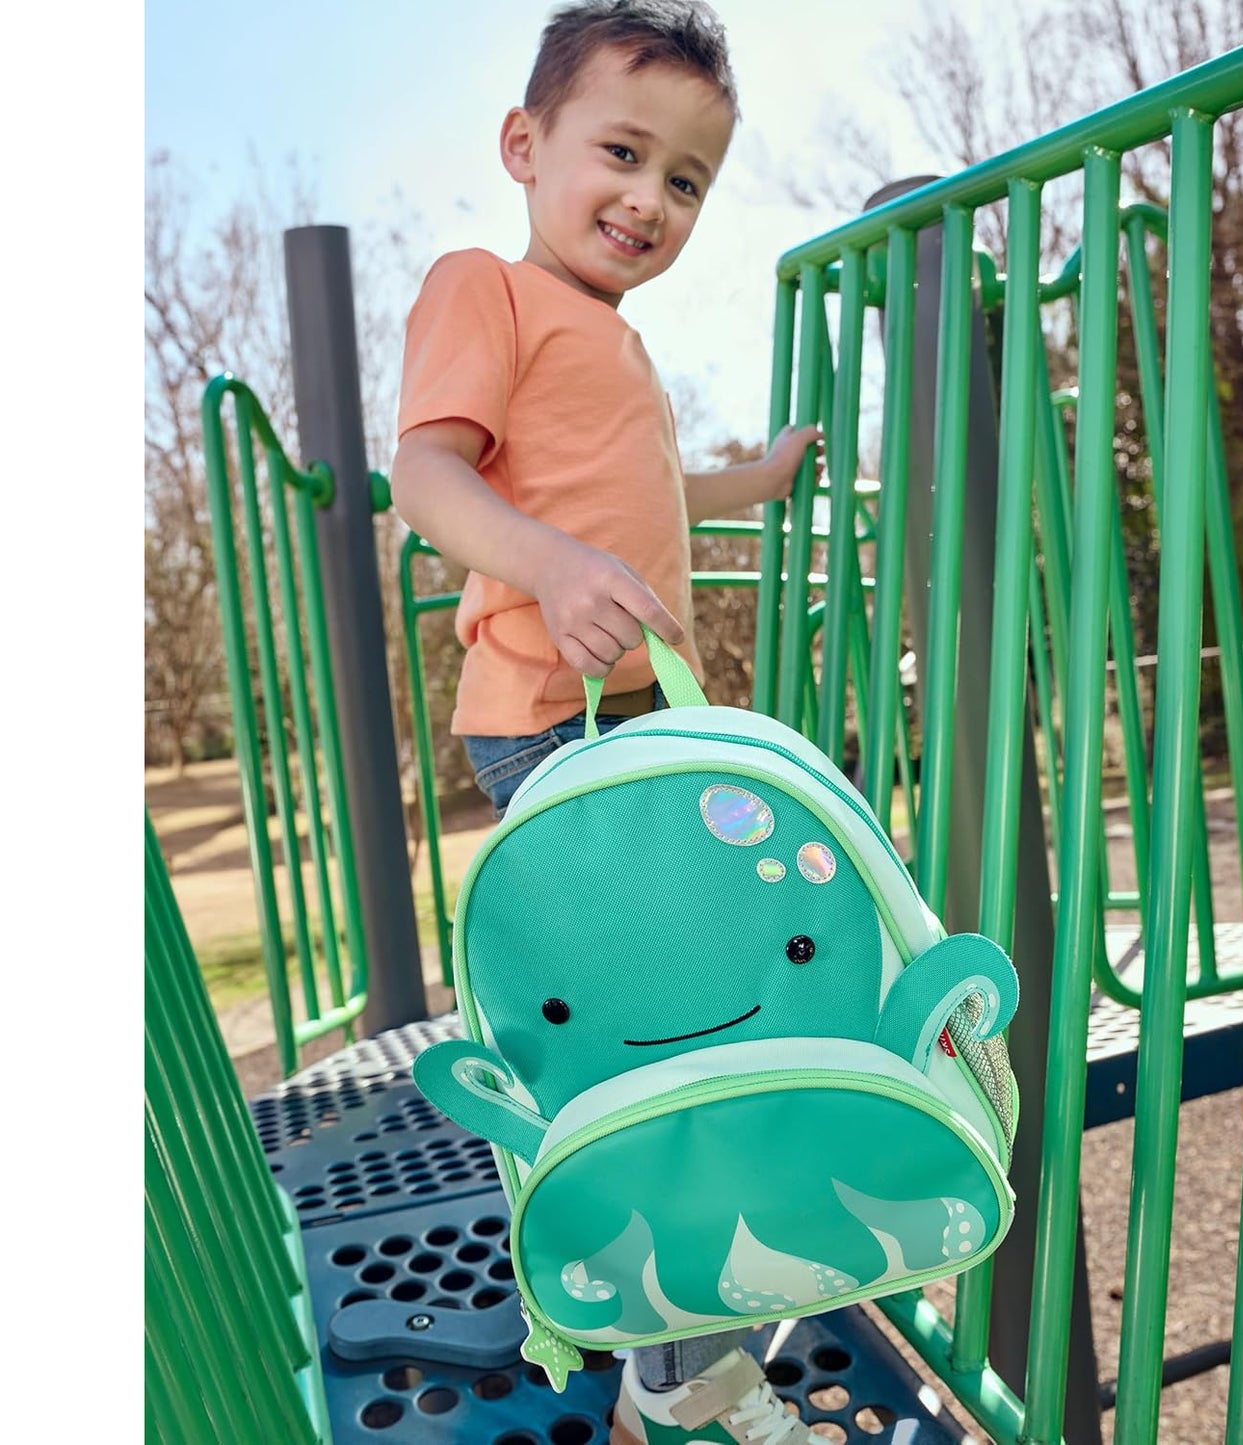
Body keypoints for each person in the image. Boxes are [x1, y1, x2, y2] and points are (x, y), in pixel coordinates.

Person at [389, 5, 834, 1443]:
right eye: (622, 153)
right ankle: (673, 1368)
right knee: (654, 1047)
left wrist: (750, 484)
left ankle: (675, 1336)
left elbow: (639, 482)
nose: (651, 199)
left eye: (686, 179)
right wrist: (550, 564)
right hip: (553, 723)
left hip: (635, 716)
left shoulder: (613, 345)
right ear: (525, 148)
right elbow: (426, 476)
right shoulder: (488, 290)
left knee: (702, 1026)